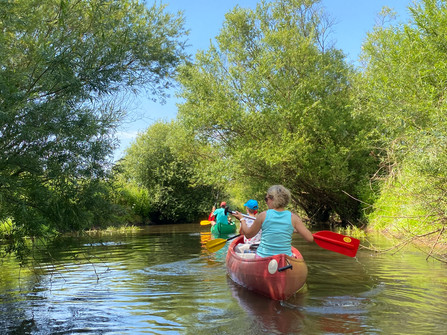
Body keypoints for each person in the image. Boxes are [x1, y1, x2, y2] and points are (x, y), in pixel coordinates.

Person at [232, 185, 313, 258]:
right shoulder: (294, 218)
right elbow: (310, 238)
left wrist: (242, 219)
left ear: (272, 199)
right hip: (285, 258)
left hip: (263, 257)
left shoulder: (263, 215)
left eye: (266, 199)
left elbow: (248, 234)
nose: (266, 202)